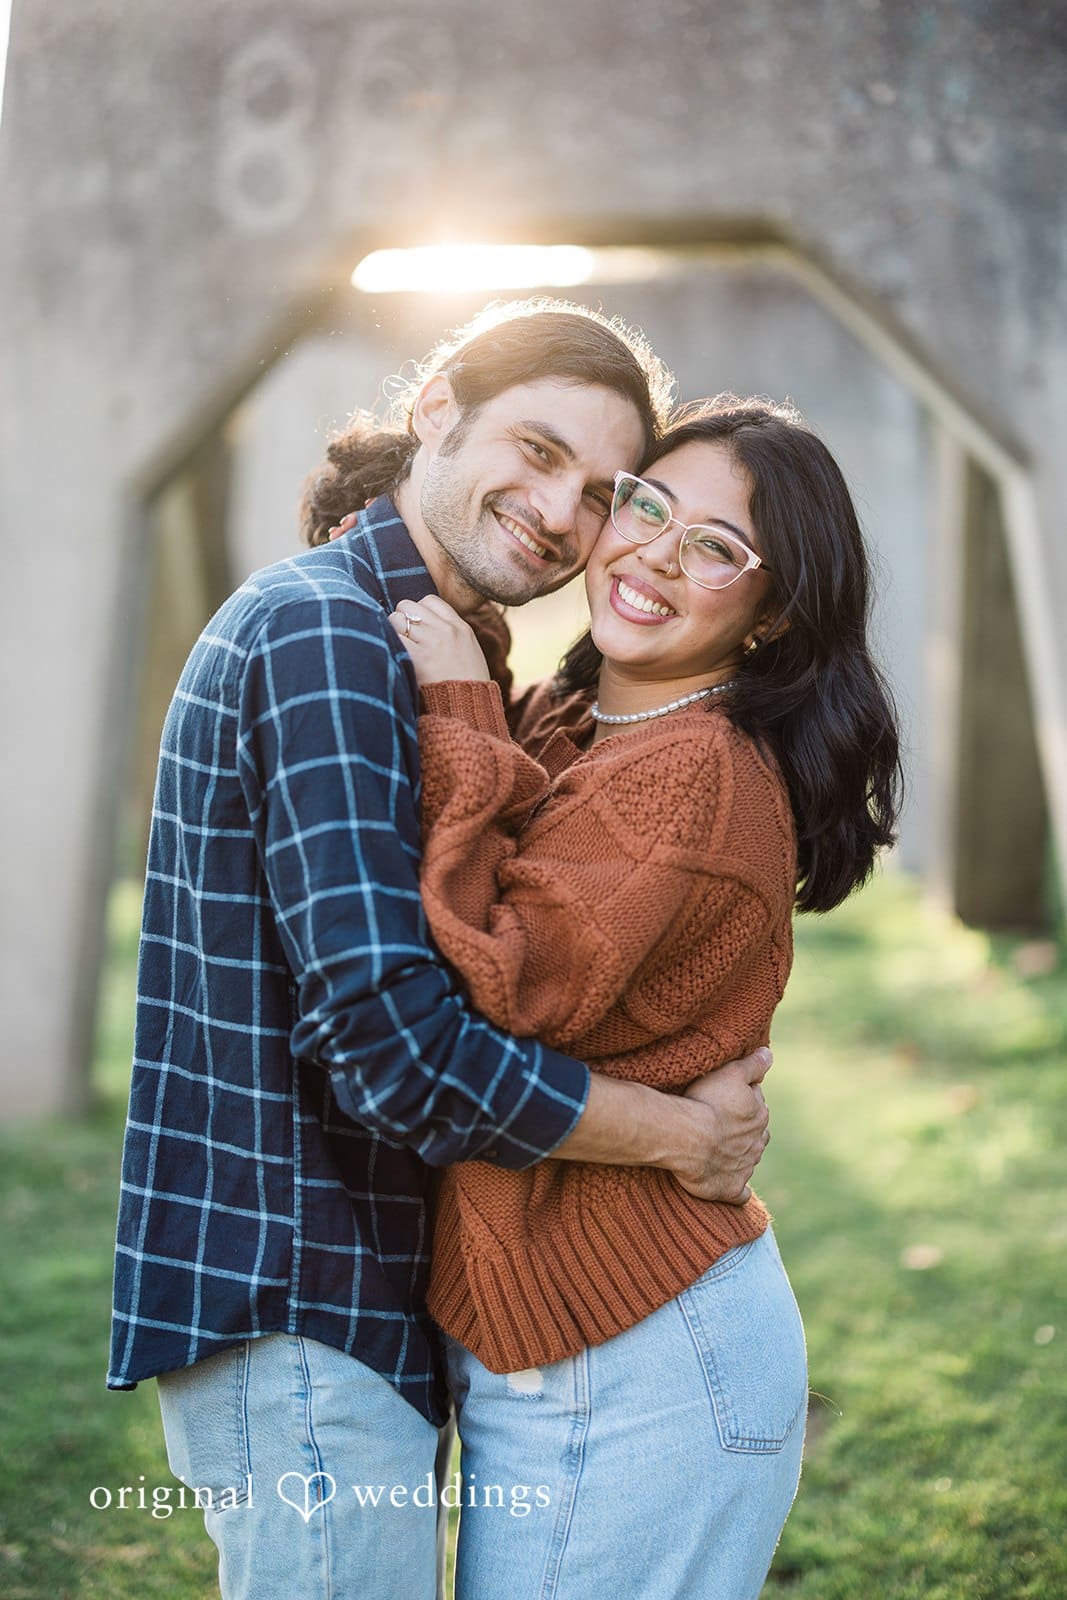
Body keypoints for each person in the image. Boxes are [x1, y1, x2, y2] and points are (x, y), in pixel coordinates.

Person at [107, 303, 776, 1600]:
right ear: (434, 414)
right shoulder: (330, 633)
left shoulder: (420, 649)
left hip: (360, 1293)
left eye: (594, 492)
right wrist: (672, 1135)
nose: (552, 510)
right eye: (530, 450)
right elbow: (395, 1044)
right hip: (300, 1284)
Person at [386, 395, 903, 1600]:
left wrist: (460, 709)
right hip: (579, 1332)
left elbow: (487, 995)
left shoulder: (691, 775)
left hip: (634, 1354)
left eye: (715, 547)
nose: (652, 554)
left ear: (771, 614)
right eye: (647, 504)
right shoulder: (587, 720)